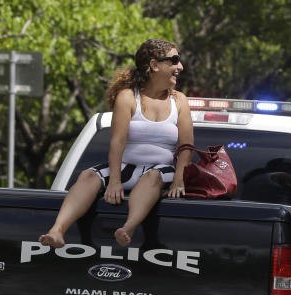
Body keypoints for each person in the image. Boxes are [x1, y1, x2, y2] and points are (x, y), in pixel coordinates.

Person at [39, 39, 193, 248]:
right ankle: (57, 230)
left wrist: (178, 180)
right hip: (126, 168)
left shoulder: (179, 101)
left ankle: (128, 227)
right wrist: (114, 181)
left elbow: (186, 146)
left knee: (153, 177)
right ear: (155, 65)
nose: (180, 67)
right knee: (87, 175)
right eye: (174, 60)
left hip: (161, 171)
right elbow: (117, 142)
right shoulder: (128, 97)